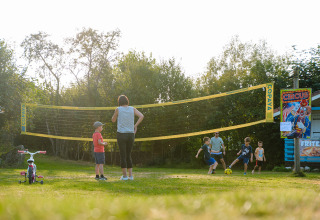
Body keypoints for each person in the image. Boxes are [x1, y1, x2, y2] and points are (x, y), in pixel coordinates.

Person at [111, 95, 144, 180]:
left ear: (119, 102)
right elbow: (141, 116)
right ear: (127, 101)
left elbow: (113, 120)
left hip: (121, 134)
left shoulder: (118, 109)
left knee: (123, 155)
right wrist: (135, 126)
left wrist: (115, 113)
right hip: (130, 134)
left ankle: (125, 176)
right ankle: (131, 176)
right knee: (128, 155)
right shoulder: (132, 109)